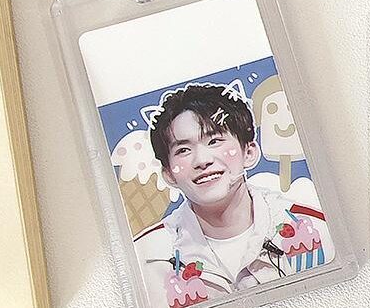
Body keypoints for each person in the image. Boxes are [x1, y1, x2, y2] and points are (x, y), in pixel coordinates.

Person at [134, 83, 333, 308]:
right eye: (183, 150)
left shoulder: (316, 228)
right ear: (168, 174)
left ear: (249, 152)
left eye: (214, 141)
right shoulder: (145, 258)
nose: (202, 161)